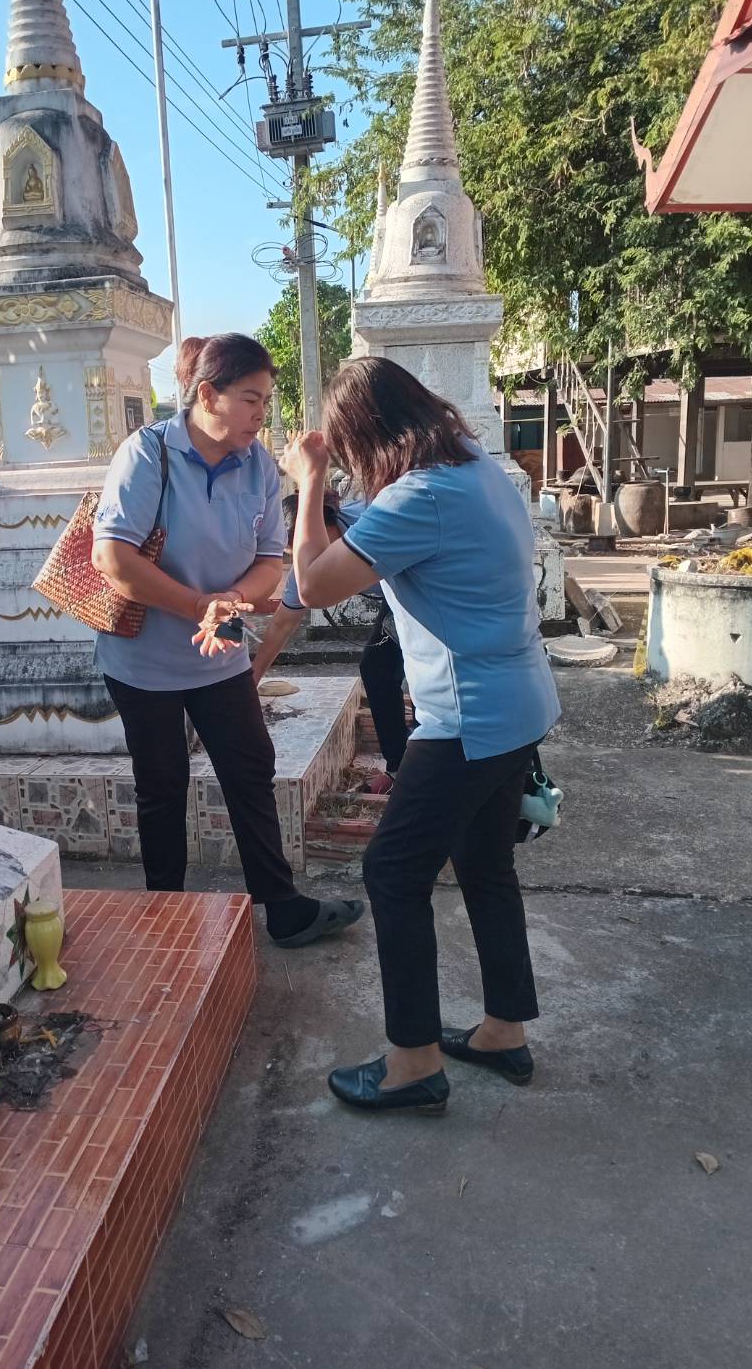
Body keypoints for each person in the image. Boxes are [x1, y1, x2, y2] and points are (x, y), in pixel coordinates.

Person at [285, 356, 561, 1114]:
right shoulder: (475, 467)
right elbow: (364, 538)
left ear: (365, 435)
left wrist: (309, 479)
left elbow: (312, 586)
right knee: (484, 864)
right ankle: (504, 1030)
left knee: (392, 873)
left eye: (346, 449)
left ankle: (412, 1064)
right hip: (518, 704)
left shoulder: (421, 496)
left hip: (468, 718)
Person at [91, 333, 365, 950]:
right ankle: (167, 912)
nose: (261, 414)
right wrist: (198, 606)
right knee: (162, 787)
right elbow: (113, 559)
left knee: (249, 768)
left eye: (265, 401)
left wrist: (232, 602)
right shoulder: (147, 455)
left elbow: (271, 560)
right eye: (250, 399)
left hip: (222, 653)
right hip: (144, 661)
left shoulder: (258, 466)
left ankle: (282, 906)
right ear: (208, 394)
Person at [251, 490, 410, 793]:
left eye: (313, 545)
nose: (312, 562)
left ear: (328, 520)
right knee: (376, 669)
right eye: (297, 553)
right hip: (396, 599)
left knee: (419, 672)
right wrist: (251, 681)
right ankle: (399, 767)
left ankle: (425, 760)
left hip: (423, 584)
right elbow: (282, 624)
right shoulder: (306, 565)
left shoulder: (370, 518)